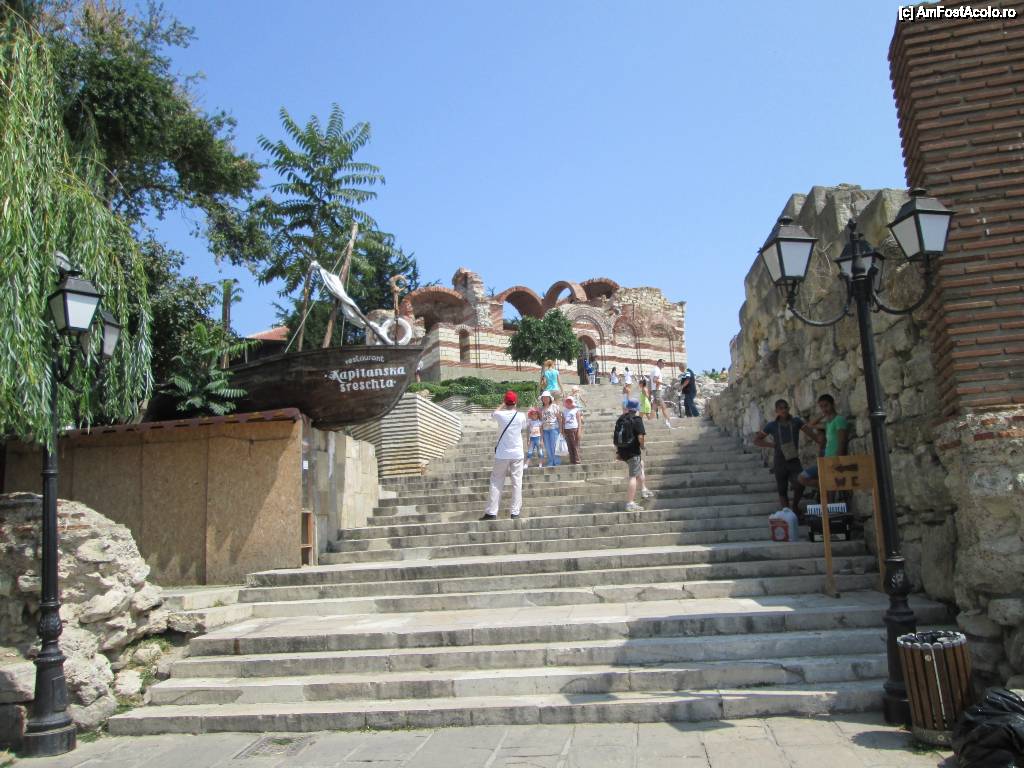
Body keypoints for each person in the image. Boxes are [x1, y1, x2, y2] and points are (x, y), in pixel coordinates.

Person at [754, 399, 818, 512]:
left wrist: (822, 442)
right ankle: (787, 513)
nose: (783, 410)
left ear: (789, 408)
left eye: (785, 407)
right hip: (780, 462)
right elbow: (757, 440)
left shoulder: (796, 422)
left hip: (794, 461)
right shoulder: (772, 425)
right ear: (776, 411)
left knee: (800, 484)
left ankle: (795, 506)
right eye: (781, 408)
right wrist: (772, 445)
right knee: (782, 489)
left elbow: (812, 434)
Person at [480, 391, 527, 521]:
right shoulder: (521, 416)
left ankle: (491, 512)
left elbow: (493, 414)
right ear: (516, 402)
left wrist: (502, 404)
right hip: (517, 453)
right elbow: (523, 427)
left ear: (505, 402)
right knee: (517, 482)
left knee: (496, 481)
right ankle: (515, 512)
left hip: (502, 453)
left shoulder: (500, 415)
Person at [798, 393, 850, 488]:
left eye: (826, 405)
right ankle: (829, 486)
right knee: (802, 478)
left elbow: (842, 442)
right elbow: (810, 425)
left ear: (833, 404)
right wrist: (823, 414)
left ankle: (828, 486)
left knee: (802, 478)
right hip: (826, 460)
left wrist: (838, 460)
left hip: (834, 461)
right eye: (821, 407)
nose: (824, 408)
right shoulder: (828, 423)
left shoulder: (839, 420)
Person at [614, 398, 653, 511]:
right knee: (633, 476)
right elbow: (640, 436)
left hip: (622, 451)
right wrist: (642, 446)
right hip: (633, 451)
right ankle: (630, 503)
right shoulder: (637, 420)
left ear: (628, 407)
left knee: (641, 464)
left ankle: (644, 489)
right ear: (637, 409)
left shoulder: (621, 419)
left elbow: (616, 437)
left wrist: (618, 452)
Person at [649, 358, 674, 428]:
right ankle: (668, 422)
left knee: (654, 408)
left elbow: (651, 381)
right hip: (657, 391)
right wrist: (665, 384)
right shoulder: (657, 370)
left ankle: (650, 422)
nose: (664, 364)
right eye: (663, 363)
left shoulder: (654, 369)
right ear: (659, 363)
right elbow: (654, 380)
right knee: (664, 406)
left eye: (665, 363)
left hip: (655, 391)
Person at [539, 391, 562, 468]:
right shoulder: (541, 409)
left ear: (550, 398)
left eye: (547, 397)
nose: (545, 399)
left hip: (554, 428)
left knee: (554, 446)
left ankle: (557, 461)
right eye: (543, 398)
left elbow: (559, 419)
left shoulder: (554, 406)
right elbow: (541, 422)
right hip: (545, 429)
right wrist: (541, 436)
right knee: (548, 447)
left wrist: (561, 430)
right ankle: (551, 461)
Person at [561, 395, 584, 465]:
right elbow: (563, 421)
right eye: (567, 401)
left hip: (574, 429)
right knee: (569, 446)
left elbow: (579, 421)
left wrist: (579, 431)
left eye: (570, 401)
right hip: (567, 429)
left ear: (572, 402)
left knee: (575, 445)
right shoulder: (564, 411)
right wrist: (562, 430)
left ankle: (577, 460)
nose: (568, 403)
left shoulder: (576, 410)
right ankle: (572, 460)